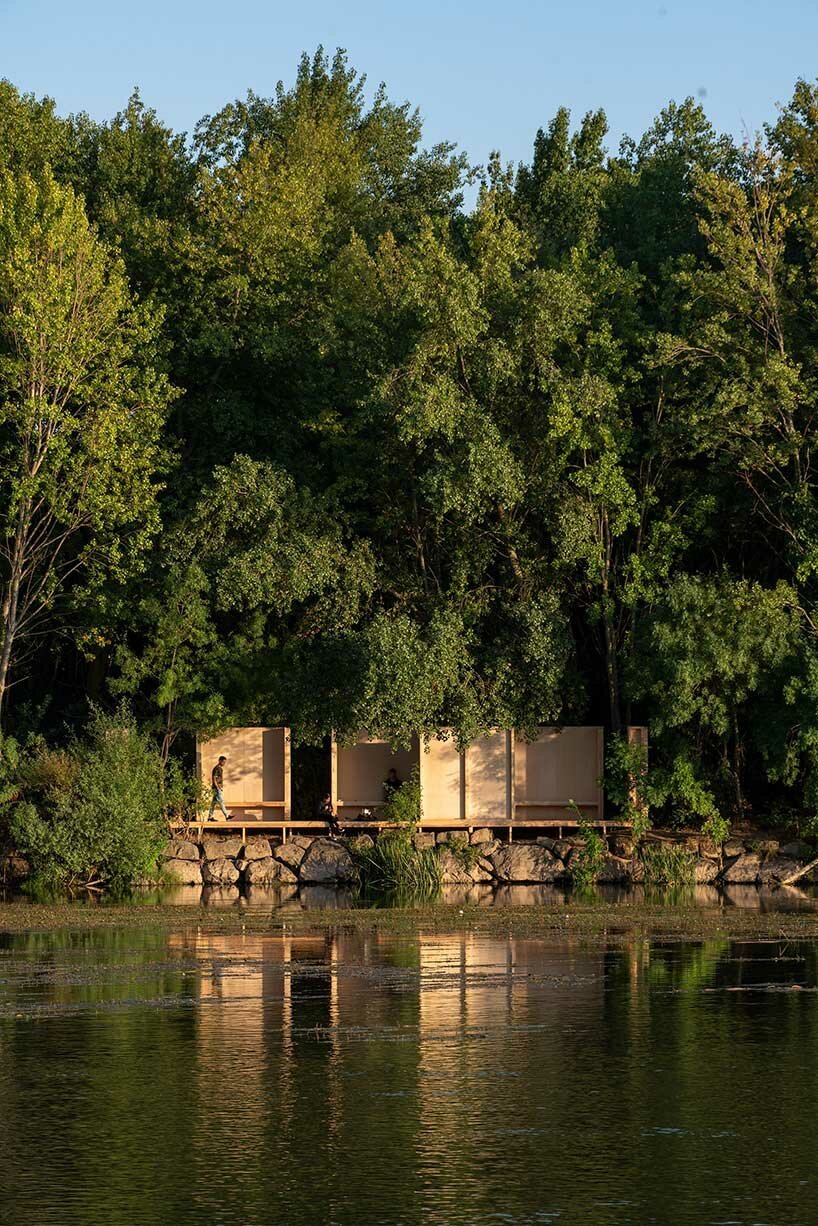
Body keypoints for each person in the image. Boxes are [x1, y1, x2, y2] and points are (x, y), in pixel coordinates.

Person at [209, 755, 231, 821]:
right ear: (219, 761)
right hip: (216, 788)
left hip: (218, 788)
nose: (224, 763)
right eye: (223, 762)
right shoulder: (216, 768)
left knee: (213, 803)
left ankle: (210, 817)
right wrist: (218, 788)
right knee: (221, 802)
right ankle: (227, 815)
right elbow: (214, 779)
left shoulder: (220, 768)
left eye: (225, 762)